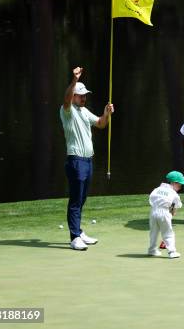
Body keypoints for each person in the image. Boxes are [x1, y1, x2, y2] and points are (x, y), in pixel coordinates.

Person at [60, 67, 114, 251]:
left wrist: (106, 113)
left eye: (85, 95)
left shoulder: (83, 111)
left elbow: (100, 124)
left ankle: (79, 231)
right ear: (73, 96)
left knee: (82, 198)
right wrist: (74, 80)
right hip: (76, 161)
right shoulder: (67, 111)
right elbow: (66, 98)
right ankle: (74, 237)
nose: (84, 98)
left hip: (88, 161)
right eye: (80, 95)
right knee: (75, 200)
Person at [148, 171, 184, 259]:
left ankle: (152, 250)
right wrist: (170, 215)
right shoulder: (173, 193)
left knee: (153, 232)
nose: (180, 187)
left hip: (153, 212)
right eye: (180, 185)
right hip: (164, 212)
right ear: (174, 183)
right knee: (168, 233)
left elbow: (151, 199)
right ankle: (172, 252)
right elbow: (175, 208)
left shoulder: (157, 189)